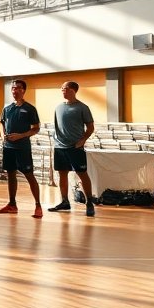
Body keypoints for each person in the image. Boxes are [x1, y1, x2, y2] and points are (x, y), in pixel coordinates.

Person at [48, 81, 96, 217]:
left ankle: (89, 203)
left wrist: (82, 140)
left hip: (75, 147)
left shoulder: (82, 107)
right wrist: (56, 142)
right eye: (61, 88)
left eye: (66, 89)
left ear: (74, 90)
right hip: (59, 147)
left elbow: (91, 127)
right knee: (62, 174)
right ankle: (64, 201)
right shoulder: (58, 107)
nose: (63, 91)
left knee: (82, 174)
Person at [0, 78, 43, 219]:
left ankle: (38, 206)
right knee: (10, 174)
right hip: (8, 147)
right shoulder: (7, 108)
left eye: (18, 88)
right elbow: (1, 123)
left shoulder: (30, 109)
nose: (15, 90)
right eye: (13, 88)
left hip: (22, 148)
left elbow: (36, 128)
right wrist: (2, 135)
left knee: (29, 175)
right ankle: (12, 205)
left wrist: (21, 136)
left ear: (23, 91)